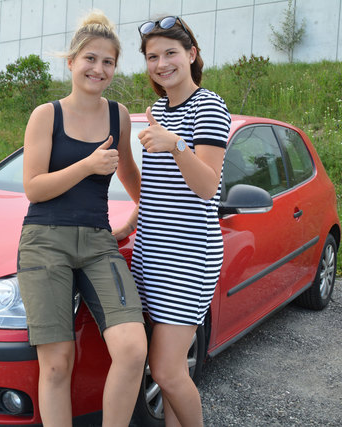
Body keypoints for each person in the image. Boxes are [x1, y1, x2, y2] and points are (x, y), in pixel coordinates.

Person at [17, 10, 147, 427]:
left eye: (108, 61)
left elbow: (128, 172)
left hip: (96, 241)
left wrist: (142, 214)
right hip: (44, 240)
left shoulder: (118, 116)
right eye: (90, 59)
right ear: (71, 62)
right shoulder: (46, 115)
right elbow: (34, 188)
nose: (99, 68)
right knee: (57, 363)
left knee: (132, 348)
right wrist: (88, 165)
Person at [114, 15, 231, 427]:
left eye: (170, 53)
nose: (161, 63)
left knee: (166, 371)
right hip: (152, 252)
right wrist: (130, 226)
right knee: (169, 373)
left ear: (191, 55)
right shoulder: (159, 109)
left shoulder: (209, 105)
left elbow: (206, 186)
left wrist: (175, 142)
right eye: (152, 57)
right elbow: (161, 190)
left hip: (189, 257)